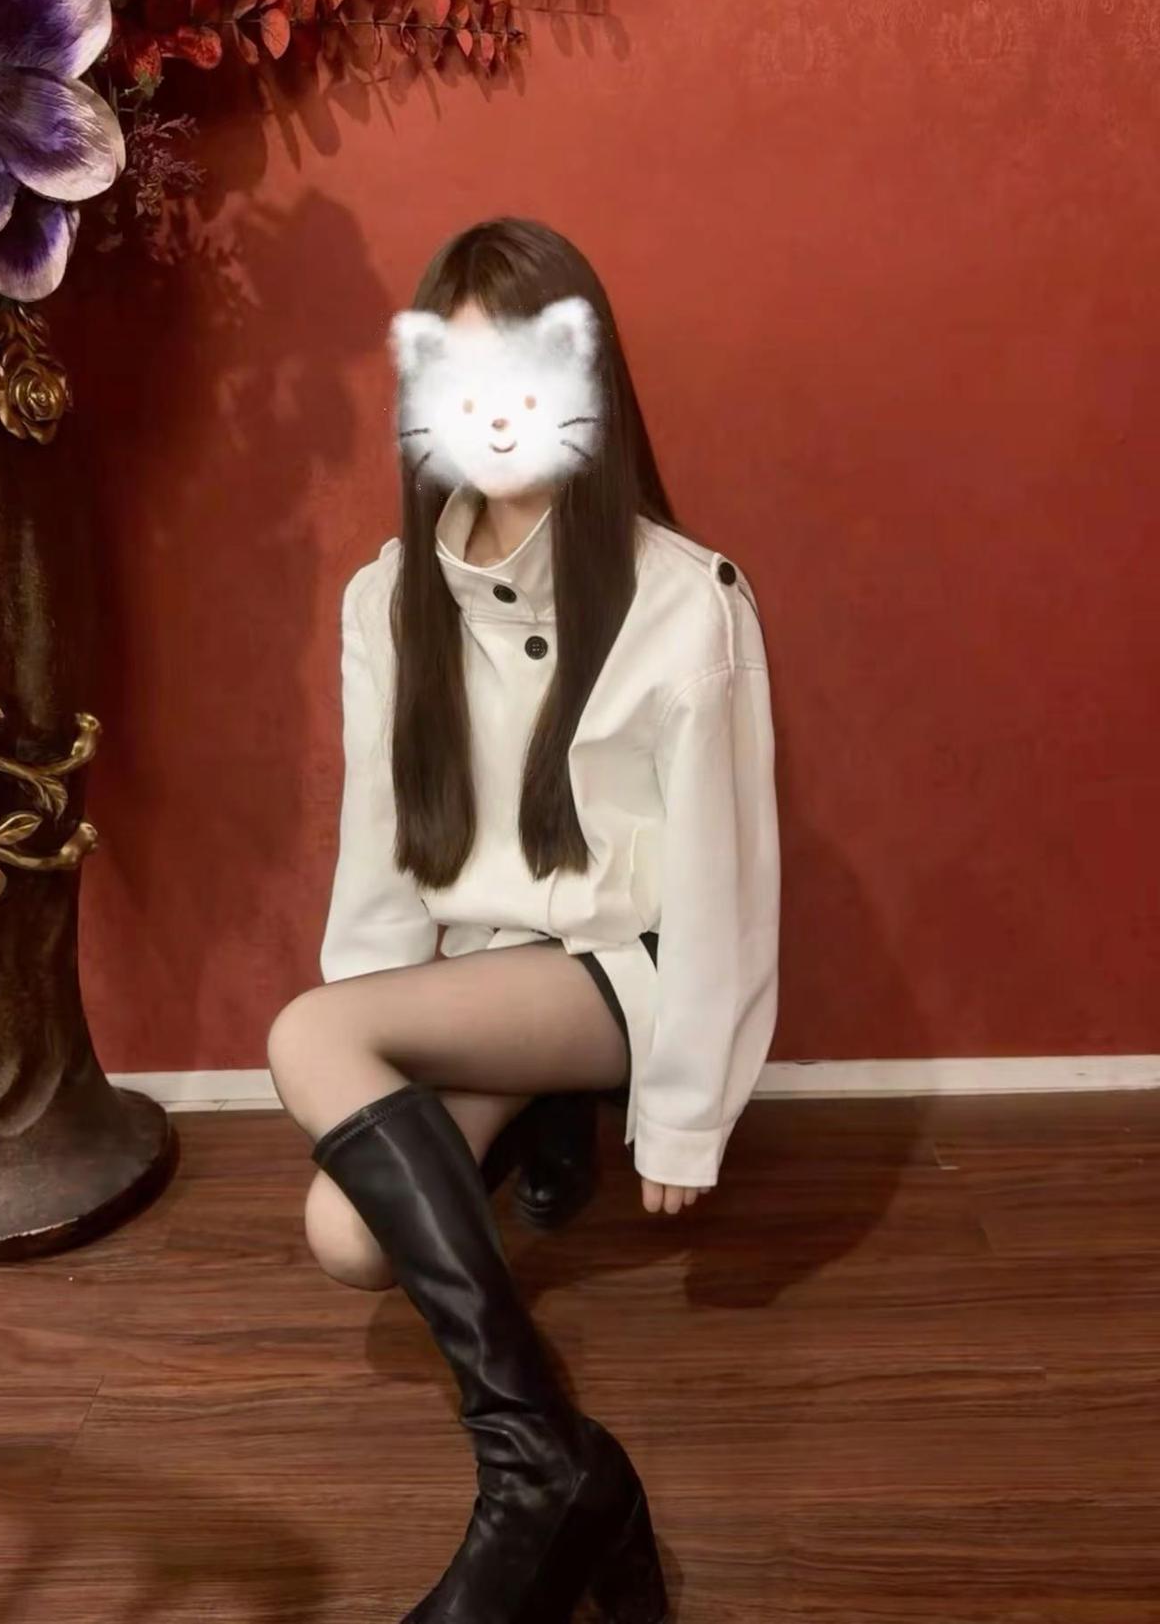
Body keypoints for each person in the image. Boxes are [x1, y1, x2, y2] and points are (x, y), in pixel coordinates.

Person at [267, 217, 780, 1623]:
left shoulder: (685, 598)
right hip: (496, 968)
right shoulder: (388, 600)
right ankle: (568, 1466)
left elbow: (728, 878)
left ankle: (530, 1468)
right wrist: (375, 1058)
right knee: (346, 1235)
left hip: (629, 964)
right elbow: (383, 851)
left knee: (308, 1030)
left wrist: (684, 1114)